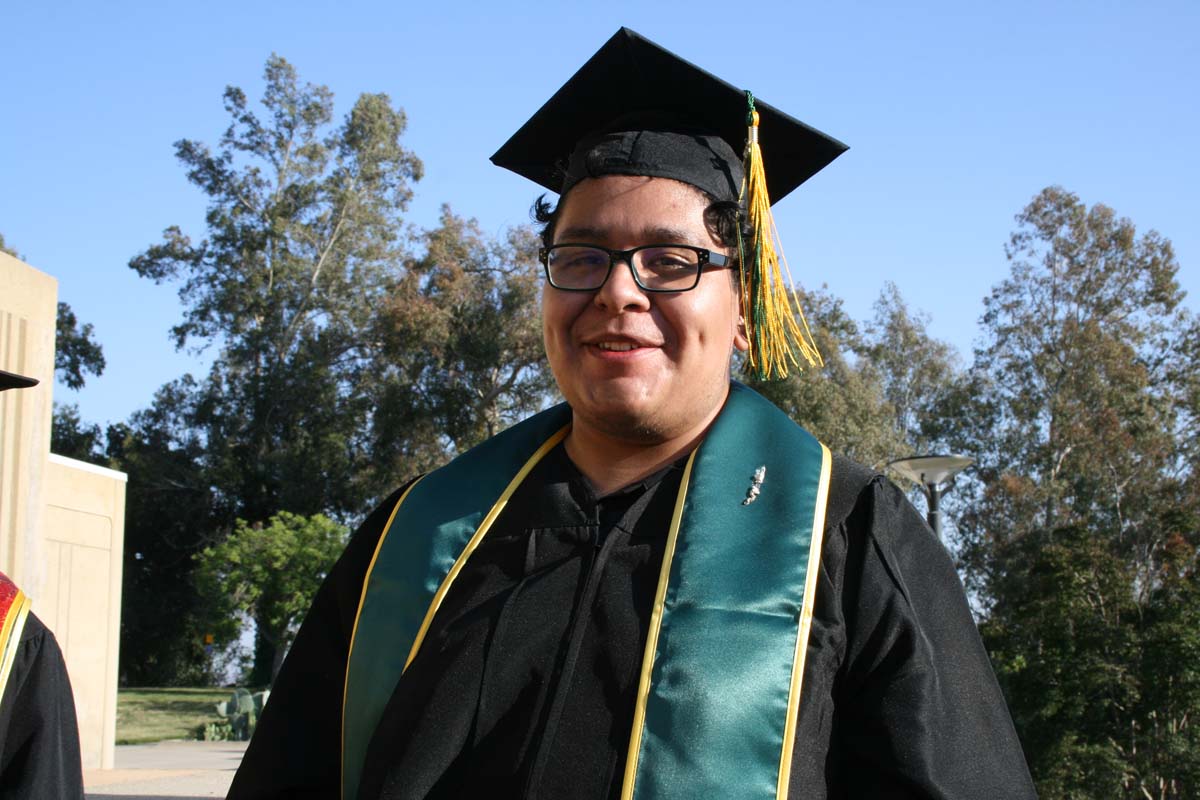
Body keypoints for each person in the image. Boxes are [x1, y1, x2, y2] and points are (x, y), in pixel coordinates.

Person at [229, 28, 1036, 800]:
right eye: (580, 259)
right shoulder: (415, 538)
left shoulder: (850, 539)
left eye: (670, 262)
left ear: (746, 310)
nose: (618, 292)